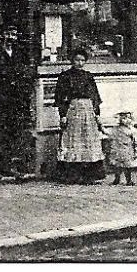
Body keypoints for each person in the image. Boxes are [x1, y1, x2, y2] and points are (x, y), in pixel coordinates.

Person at [0, 24, 31, 180]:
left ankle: (7, 167)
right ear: (1, 35)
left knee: (13, 134)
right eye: (8, 33)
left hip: (15, 102)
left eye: (14, 34)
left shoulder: (20, 55)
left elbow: (24, 76)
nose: (11, 37)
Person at [53, 48, 105, 183]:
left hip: (88, 111)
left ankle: (89, 175)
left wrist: (97, 114)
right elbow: (60, 98)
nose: (80, 63)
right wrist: (63, 115)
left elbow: (95, 97)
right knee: (73, 140)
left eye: (82, 60)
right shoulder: (65, 76)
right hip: (73, 110)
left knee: (88, 141)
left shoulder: (88, 76)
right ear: (72, 60)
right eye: (77, 60)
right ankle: (72, 175)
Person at [106, 111, 137, 186]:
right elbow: (109, 134)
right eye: (123, 118)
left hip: (128, 150)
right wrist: (101, 127)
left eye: (127, 118)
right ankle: (117, 179)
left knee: (127, 166)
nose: (125, 120)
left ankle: (128, 180)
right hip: (117, 149)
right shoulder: (115, 129)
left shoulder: (131, 130)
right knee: (117, 166)